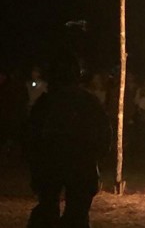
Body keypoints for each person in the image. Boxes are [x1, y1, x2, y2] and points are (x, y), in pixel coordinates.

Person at [27, 51, 112, 228]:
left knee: (53, 211)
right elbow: (104, 134)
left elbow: (30, 137)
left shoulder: (46, 103)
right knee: (72, 215)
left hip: (57, 165)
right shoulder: (87, 101)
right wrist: (96, 158)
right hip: (75, 165)